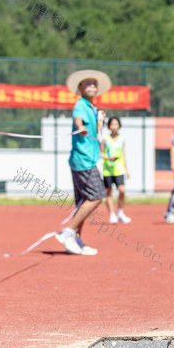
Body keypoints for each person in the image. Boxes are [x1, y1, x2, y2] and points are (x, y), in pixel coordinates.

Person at [54, 70, 109, 255]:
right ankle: (68, 232)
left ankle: (76, 241)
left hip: (87, 158)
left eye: (94, 83)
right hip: (83, 159)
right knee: (96, 196)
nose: (92, 86)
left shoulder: (92, 108)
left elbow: (97, 132)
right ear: (80, 87)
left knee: (82, 203)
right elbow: (78, 120)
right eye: (88, 83)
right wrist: (80, 127)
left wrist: (100, 119)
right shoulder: (80, 105)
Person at [102, 116, 131, 224]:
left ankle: (120, 212)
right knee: (108, 191)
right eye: (112, 124)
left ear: (119, 126)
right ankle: (112, 214)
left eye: (116, 124)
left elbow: (123, 154)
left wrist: (126, 170)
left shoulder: (122, 139)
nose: (114, 126)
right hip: (108, 170)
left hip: (119, 169)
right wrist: (108, 158)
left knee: (122, 190)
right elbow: (100, 153)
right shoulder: (105, 139)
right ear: (109, 126)